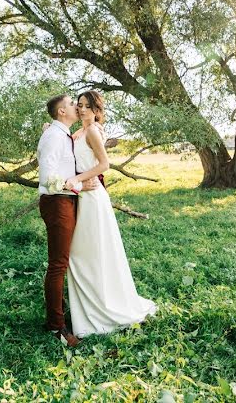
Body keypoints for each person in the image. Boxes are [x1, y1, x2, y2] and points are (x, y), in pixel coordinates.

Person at [64, 90, 156, 338]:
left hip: (92, 198)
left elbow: (103, 165)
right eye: (79, 105)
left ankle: (103, 309)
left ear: (96, 110)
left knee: (91, 253)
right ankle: (87, 309)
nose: (82, 109)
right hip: (81, 194)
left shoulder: (93, 130)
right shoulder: (77, 133)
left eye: (87, 106)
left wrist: (78, 179)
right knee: (80, 255)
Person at [36, 94, 99, 347]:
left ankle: (66, 313)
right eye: (73, 103)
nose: (77, 107)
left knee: (64, 261)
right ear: (62, 112)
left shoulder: (60, 134)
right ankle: (56, 326)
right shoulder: (53, 136)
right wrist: (78, 186)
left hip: (65, 200)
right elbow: (47, 178)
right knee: (58, 264)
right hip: (57, 201)